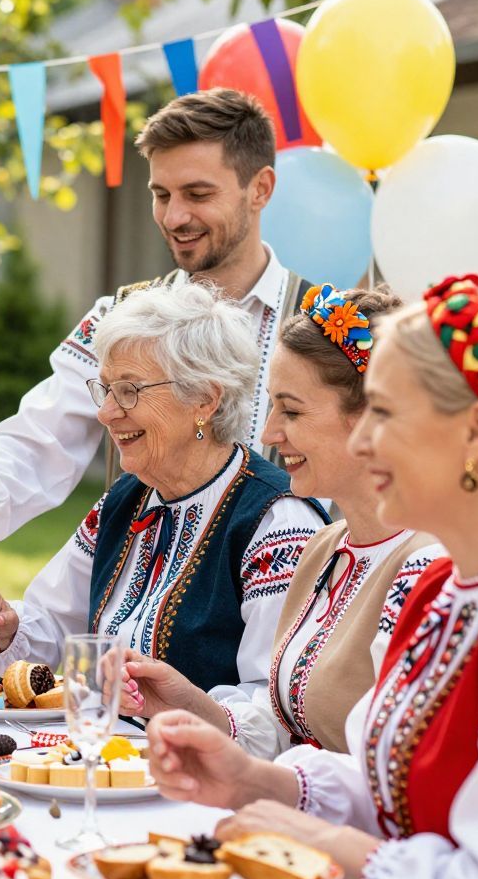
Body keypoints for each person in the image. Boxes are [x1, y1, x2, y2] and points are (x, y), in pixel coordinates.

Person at [146, 276, 478, 879]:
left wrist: (321, 839)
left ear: (476, 432)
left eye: (384, 413)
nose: (366, 441)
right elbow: (399, 796)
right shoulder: (448, 590)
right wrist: (260, 782)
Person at [0, 88, 316, 557]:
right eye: (161, 195)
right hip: (139, 607)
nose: (174, 216)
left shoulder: (319, 323)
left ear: (261, 189)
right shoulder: (120, 314)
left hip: (284, 608)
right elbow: (44, 433)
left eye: (198, 194)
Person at [0, 280, 328, 693]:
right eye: (106, 389)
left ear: (204, 399)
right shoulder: (127, 497)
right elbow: (57, 620)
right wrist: (5, 628)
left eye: (129, 390)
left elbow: (271, 701)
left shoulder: (276, 521)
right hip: (101, 750)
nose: (106, 413)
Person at [118, 286, 443, 756]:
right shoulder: (325, 550)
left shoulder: (425, 567)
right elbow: (281, 728)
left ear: (372, 415)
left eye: (291, 410)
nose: (269, 433)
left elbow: (393, 769)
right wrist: (182, 701)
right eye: (272, 407)